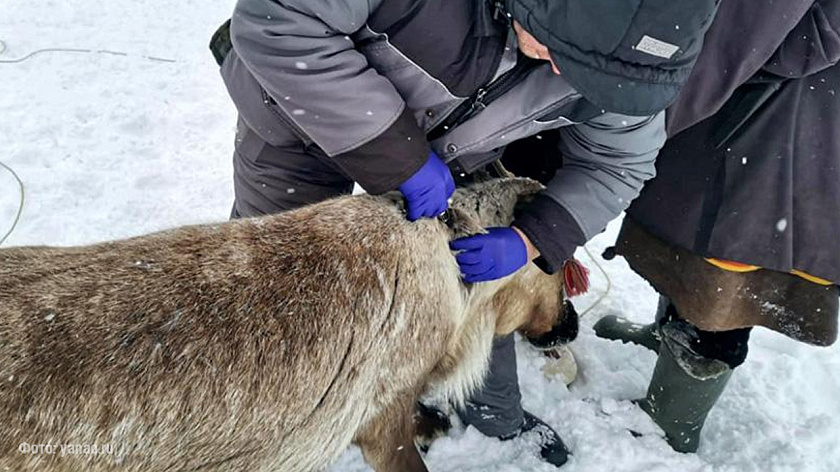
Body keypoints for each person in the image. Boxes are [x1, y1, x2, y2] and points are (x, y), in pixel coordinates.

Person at [211, 0, 719, 466]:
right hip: (294, 118)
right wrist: (400, 155)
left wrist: (531, 240)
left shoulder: (622, 68)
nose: (564, 74)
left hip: (451, 153)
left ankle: (460, 411)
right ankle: (243, 423)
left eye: (598, 75)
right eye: (568, 54)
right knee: (272, 296)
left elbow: (621, 161)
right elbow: (281, 20)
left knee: (459, 286)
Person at [593, 0, 840, 453]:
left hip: (782, 110)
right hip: (766, 90)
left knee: (731, 263)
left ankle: (672, 420)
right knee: (696, 233)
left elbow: (774, 36)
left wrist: (678, 90)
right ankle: (669, 339)